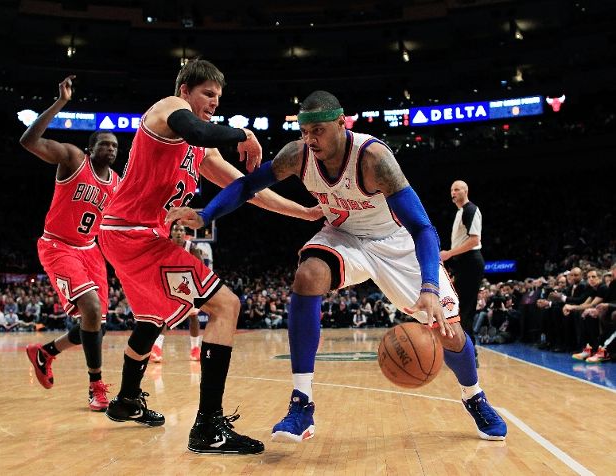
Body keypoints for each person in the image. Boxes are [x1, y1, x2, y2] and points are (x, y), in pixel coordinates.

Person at [168, 90, 508, 443]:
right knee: (307, 275)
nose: (310, 139)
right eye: (305, 131)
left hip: (396, 244)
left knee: (449, 332)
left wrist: (430, 289)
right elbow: (247, 185)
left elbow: (423, 227)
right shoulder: (298, 155)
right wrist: (206, 213)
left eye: (318, 131)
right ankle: (302, 404)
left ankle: (475, 396)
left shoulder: (374, 158)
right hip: (344, 235)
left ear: (341, 124)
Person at [98, 59, 321, 454]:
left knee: (152, 319)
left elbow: (246, 186)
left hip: (131, 236)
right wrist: (243, 135)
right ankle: (208, 427)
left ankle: (127, 399)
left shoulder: (200, 153)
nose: (215, 102)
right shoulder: (166, 109)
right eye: (208, 94)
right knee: (225, 306)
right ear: (185, 90)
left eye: (219, 97)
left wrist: (301, 212)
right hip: (136, 235)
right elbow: (197, 128)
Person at [20, 75, 120, 411]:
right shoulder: (74, 159)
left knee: (94, 328)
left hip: (91, 251)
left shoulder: (117, 183)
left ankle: (45, 352)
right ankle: (96, 386)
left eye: (115, 145)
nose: (110, 148)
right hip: (58, 246)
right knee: (90, 310)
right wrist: (60, 103)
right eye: (104, 143)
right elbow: (29, 141)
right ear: (92, 148)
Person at [440, 180, 484, 359]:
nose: (453, 192)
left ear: (466, 191)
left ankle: (469, 353)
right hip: (463, 263)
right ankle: (463, 349)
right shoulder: (460, 212)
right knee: (457, 308)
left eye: (457, 189)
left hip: (471, 262)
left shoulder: (471, 210)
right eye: (451, 190)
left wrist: (449, 253)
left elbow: (474, 240)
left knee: (465, 309)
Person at [150, 223, 205, 362]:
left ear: (185, 232)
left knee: (193, 316)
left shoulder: (191, 247)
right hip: (170, 283)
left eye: (181, 230)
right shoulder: (165, 246)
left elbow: (201, 269)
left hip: (189, 285)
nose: (179, 232)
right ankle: (156, 349)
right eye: (176, 230)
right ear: (171, 232)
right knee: (164, 317)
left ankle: (195, 349)